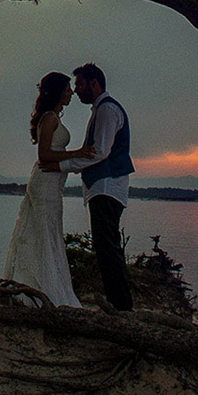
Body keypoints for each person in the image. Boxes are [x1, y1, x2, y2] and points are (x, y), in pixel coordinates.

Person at [3, 71, 86, 307]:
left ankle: (47, 286)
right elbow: (44, 155)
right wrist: (77, 153)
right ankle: (44, 291)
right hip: (45, 183)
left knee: (48, 231)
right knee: (44, 231)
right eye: (68, 89)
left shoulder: (52, 117)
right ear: (58, 91)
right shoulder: (49, 118)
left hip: (52, 182)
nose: (71, 92)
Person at [59, 63, 133, 311]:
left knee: (107, 248)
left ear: (93, 83)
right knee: (106, 247)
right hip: (103, 187)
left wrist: (65, 165)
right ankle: (119, 303)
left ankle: (121, 306)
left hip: (107, 187)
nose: (76, 90)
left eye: (79, 84)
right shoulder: (101, 109)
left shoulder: (107, 110)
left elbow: (100, 151)